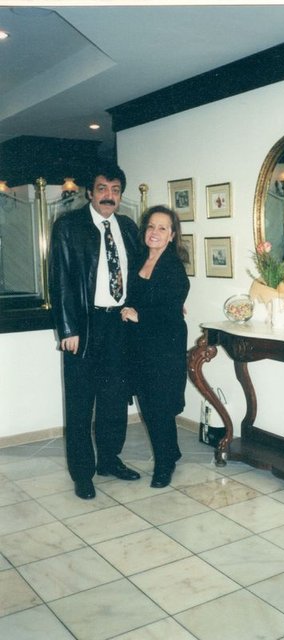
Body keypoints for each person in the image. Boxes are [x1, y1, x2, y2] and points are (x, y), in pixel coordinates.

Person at [49, 162, 141, 500]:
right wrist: (67, 328)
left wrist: (146, 305)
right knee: (80, 403)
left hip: (119, 326)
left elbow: (139, 273)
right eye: (102, 189)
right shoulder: (68, 226)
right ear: (90, 192)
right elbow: (59, 280)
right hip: (84, 327)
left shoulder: (128, 227)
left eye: (115, 190)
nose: (109, 196)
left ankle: (109, 460)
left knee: (114, 400)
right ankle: (83, 474)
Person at [122, 205, 190, 489]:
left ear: (172, 235)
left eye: (162, 228)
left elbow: (172, 310)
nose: (155, 232)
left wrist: (140, 315)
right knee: (148, 403)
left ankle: (165, 464)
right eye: (151, 226)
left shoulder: (173, 267)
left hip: (164, 346)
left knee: (159, 405)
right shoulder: (139, 259)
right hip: (139, 345)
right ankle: (171, 451)